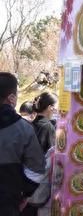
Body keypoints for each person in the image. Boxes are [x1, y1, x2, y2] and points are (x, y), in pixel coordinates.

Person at [0, 73, 46, 216]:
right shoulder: (24, 129)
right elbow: (37, 170)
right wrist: (24, 194)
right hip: (7, 202)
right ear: (11, 98)